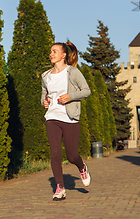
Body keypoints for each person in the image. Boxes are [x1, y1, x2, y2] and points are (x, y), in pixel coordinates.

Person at [41, 41, 91, 201]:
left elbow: (86, 91)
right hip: (52, 117)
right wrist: (44, 102)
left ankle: (82, 167)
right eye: (50, 51)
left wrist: (71, 96)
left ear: (63, 55)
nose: (51, 54)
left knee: (71, 155)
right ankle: (60, 187)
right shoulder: (46, 76)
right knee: (55, 153)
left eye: (55, 51)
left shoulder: (72, 72)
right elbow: (44, 94)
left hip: (69, 118)